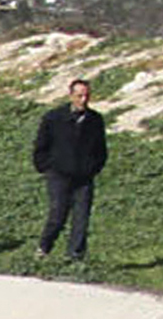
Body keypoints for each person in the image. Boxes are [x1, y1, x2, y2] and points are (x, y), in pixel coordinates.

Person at [32, 78, 108, 263]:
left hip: (84, 177)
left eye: (86, 95)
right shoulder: (53, 118)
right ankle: (44, 247)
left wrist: (93, 168)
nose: (83, 100)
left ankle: (75, 256)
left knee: (81, 219)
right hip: (59, 175)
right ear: (70, 95)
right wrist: (45, 167)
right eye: (79, 95)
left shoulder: (95, 120)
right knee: (58, 215)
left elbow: (101, 149)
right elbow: (41, 146)